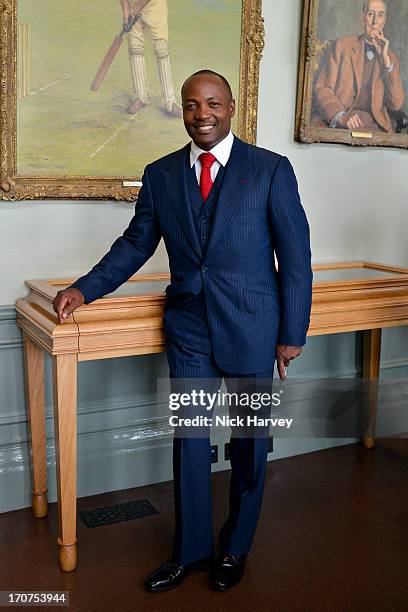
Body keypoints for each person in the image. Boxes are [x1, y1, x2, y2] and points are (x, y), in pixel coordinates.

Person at [53, 70, 313, 592]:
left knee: (249, 446)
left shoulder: (270, 170)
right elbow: (134, 245)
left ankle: (235, 548)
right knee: (190, 440)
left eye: (213, 103)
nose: (203, 115)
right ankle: (191, 552)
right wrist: (83, 289)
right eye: (192, 105)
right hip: (190, 328)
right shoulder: (161, 174)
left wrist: (292, 333)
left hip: (254, 328)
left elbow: (297, 257)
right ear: (183, 110)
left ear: (232, 106)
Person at [312, 0, 405, 132]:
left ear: (384, 20)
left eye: (380, 15)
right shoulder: (343, 46)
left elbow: (396, 104)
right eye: (370, 14)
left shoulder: (390, 58)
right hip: (339, 123)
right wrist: (340, 116)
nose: (374, 22)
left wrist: (386, 63)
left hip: (375, 127)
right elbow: (322, 88)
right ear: (363, 18)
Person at [119, 0, 181, 116]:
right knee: (135, 47)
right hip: (133, 6)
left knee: (161, 49)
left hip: (154, 8)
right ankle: (141, 97)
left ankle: (170, 102)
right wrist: (126, 11)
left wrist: (136, 9)